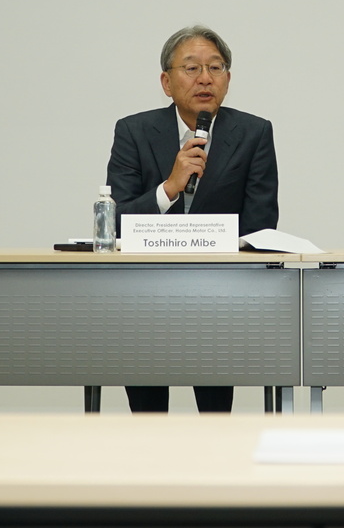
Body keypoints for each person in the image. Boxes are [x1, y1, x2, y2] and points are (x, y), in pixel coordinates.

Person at [107, 25, 279, 413]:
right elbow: (116, 222)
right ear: (166, 82)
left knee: (215, 419)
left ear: (228, 79)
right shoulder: (134, 131)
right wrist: (169, 187)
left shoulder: (253, 133)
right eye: (191, 68)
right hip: (145, 297)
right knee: (149, 420)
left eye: (215, 68)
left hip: (219, 298)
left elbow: (261, 225)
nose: (205, 78)